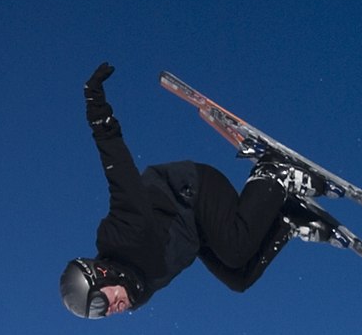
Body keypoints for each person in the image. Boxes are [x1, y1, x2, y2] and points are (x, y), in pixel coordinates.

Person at [60, 63, 337, 318]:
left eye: (99, 304)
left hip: (192, 191)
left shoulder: (122, 236)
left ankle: (273, 175)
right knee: (238, 278)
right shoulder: (136, 290)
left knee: (235, 248)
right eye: (97, 315)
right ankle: (286, 219)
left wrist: (97, 112)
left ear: (101, 273)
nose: (108, 311)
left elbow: (118, 168)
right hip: (195, 231)